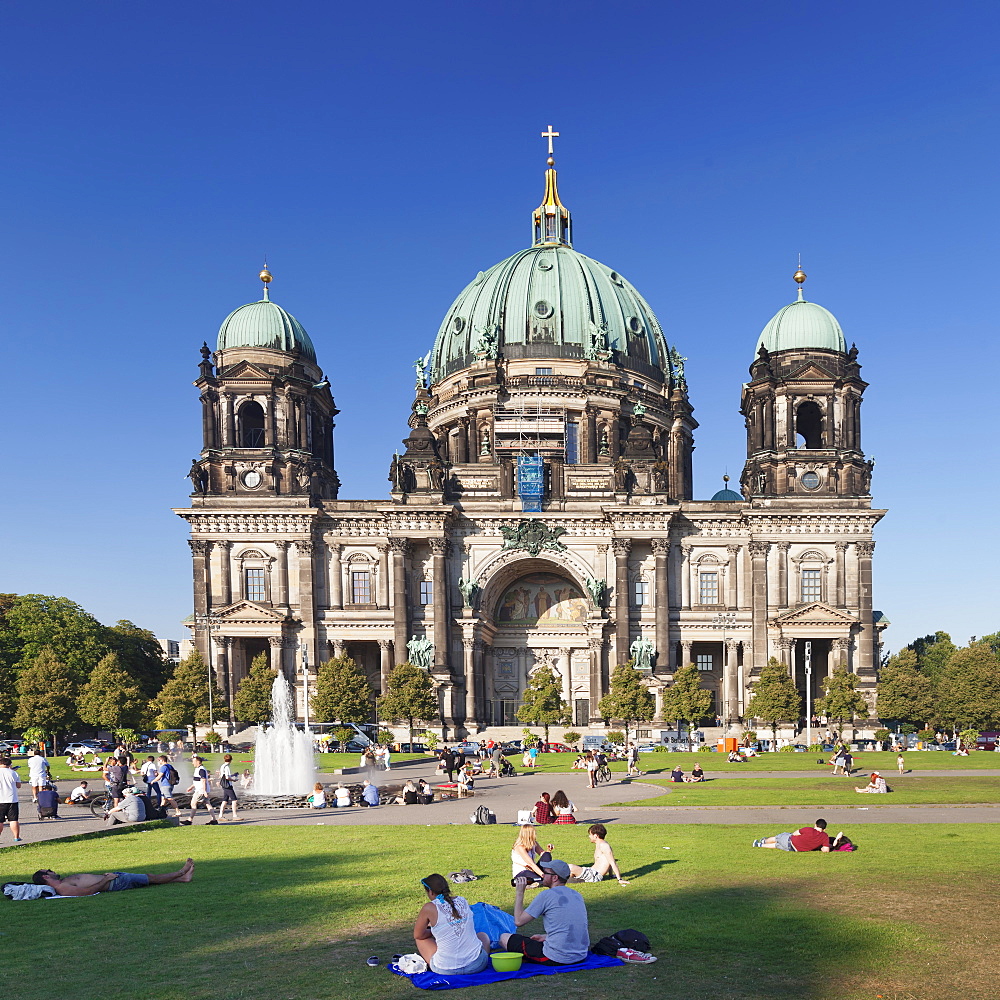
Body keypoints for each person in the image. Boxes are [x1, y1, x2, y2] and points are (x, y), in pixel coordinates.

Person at [500, 859, 590, 965]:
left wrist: (520, 892)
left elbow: (519, 921)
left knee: (503, 938)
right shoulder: (577, 895)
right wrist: (546, 936)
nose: (542, 875)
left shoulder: (547, 895)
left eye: (546, 873)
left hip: (556, 957)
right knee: (535, 940)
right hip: (581, 955)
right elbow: (571, 926)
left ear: (555, 878)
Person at [412, 873, 491, 975]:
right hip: (477, 965)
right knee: (482, 936)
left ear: (430, 892)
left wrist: (434, 931)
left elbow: (418, 935)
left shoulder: (429, 908)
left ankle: (444, 962)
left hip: (445, 969)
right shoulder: (462, 900)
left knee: (420, 939)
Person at [32, 858, 195, 896]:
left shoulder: (62, 882)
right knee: (150, 877)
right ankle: (181, 872)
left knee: (148, 880)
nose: (53, 871)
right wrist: (106, 880)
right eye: (50, 871)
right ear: (46, 877)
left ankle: (183, 879)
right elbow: (88, 892)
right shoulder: (62, 888)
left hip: (112, 878)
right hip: (114, 882)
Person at [753, 818, 833, 851]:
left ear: (815, 825)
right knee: (776, 845)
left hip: (790, 841)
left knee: (777, 838)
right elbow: (825, 850)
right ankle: (758, 845)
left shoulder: (808, 829)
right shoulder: (824, 836)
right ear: (824, 829)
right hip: (794, 849)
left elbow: (795, 833)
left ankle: (764, 840)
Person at [183, 756, 217, 825]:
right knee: (208, 804)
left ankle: (189, 820)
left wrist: (204, 791)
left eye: (193, 761)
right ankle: (214, 819)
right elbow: (197, 781)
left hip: (200, 790)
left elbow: (203, 780)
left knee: (193, 803)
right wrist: (191, 787)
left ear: (198, 762)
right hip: (201, 790)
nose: (192, 763)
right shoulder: (198, 769)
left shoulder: (201, 769)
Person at [0, 757, 22, 843]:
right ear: (9, 764)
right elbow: (18, 786)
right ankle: (16, 837)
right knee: (13, 819)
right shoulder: (13, 773)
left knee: (0, 821)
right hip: (12, 799)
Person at [217, 754, 239, 822]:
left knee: (225, 800)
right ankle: (234, 815)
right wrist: (233, 780)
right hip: (228, 785)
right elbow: (227, 777)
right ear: (231, 760)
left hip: (224, 785)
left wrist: (232, 775)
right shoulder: (227, 767)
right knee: (234, 800)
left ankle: (220, 815)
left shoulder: (222, 766)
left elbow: (222, 775)